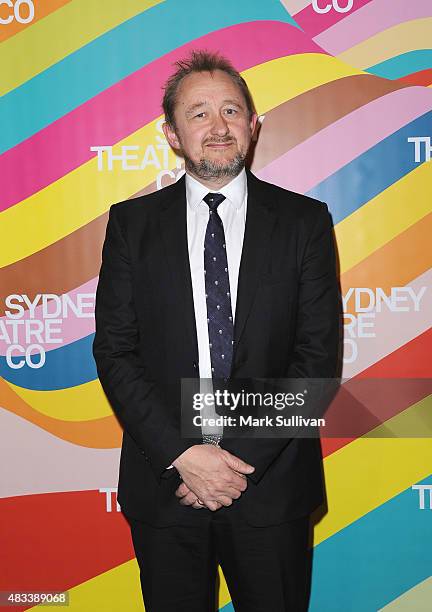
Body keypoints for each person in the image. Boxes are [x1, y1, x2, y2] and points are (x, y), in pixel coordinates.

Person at [93, 50, 340, 612]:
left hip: (271, 484)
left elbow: (316, 359)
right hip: (166, 485)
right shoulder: (132, 227)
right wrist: (184, 455)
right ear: (172, 133)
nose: (218, 125)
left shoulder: (305, 222)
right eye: (198, 113)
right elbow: (115, 352)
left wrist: (233, 465)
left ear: (254, 127)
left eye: (232, 110)